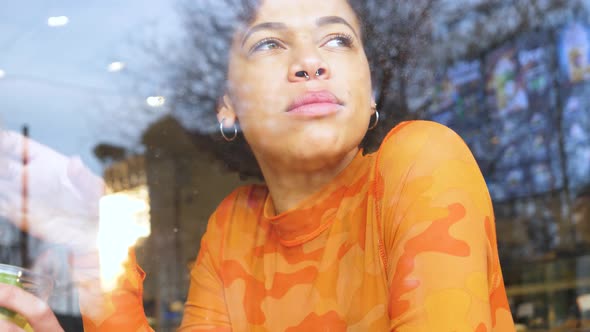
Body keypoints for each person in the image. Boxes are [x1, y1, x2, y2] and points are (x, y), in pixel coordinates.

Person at [0, 0, 516, 330]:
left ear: (369, 89)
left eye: (337, 39)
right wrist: (93, 239)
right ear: (229, 107)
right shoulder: (233, 228)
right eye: (269, 42)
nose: (312, 62)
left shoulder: (420, 161)